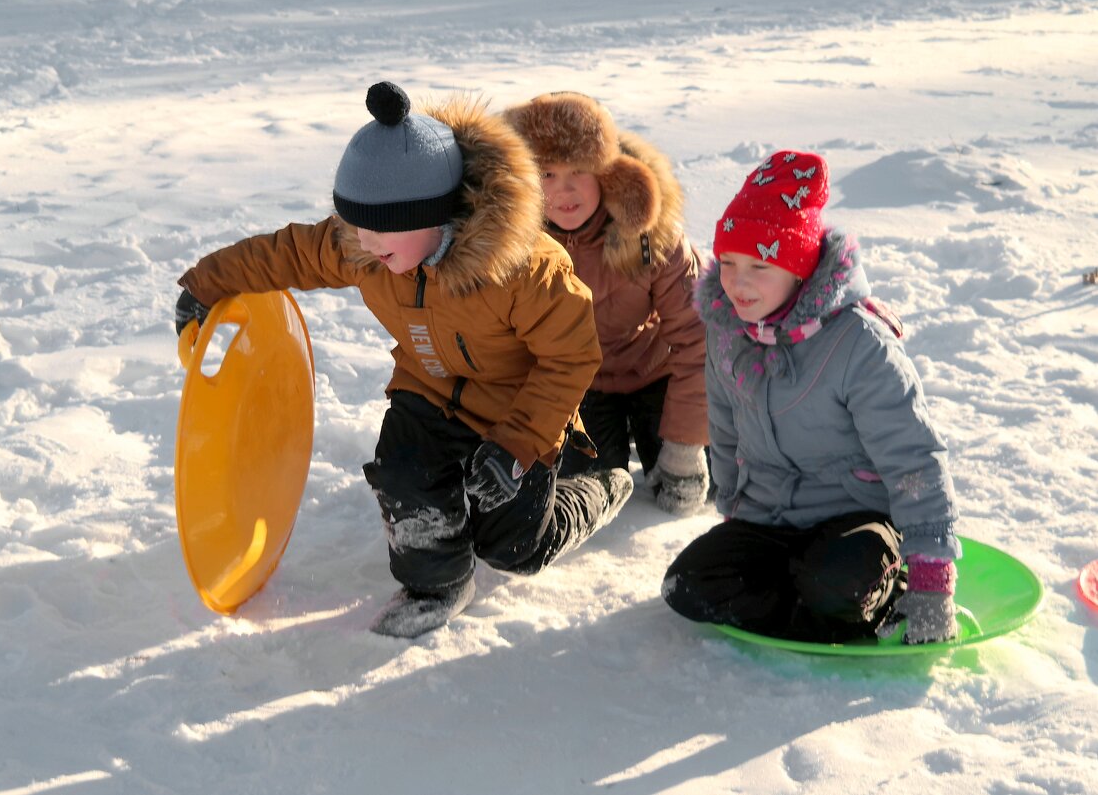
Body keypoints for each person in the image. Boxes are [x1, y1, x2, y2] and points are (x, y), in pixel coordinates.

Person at [173, 82, 634, 638]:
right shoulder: (366, 244)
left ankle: (599, 488)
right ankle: (438, 584)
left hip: (518, 413)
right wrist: (206, 284)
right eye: (355, 224)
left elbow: (570, 359)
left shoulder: (526, 269)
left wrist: (516, 446)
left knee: (513, 548)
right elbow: (287, 253)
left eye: (380, 229)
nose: (364, 242)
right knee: (404, 476)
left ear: (438, 216)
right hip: (428, 391)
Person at [661, 150, 962, 645]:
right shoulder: (726, 330)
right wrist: (735, 507)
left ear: (800, 268)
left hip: (858, 518)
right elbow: (725, 424)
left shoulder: (859, 344)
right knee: (687, 586)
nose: (738, 282)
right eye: (730, 262)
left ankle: (875, 593)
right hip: (769, 518)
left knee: (835, 581)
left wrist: (932, 581)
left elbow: (913, 459)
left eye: (760, 265)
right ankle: (823, 609)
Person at [502, 92, 710, 515]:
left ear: (609, 175)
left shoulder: (654, 235)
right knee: (590, 487)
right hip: (578, 386)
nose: (565, 190)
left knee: (700, 478)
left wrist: (686, 447)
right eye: (547, 174)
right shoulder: (512, 245)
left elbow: (699, 340)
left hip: (656, 372)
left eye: (579, 170)